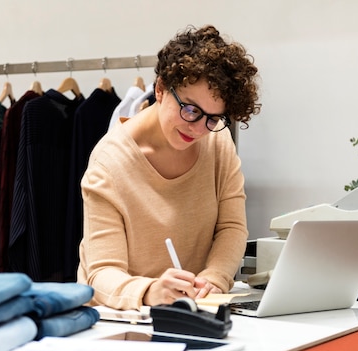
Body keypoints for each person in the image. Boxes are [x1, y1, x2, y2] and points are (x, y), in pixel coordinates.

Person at [77, 24, 261, 310]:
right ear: (161, 89)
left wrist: (215, 277)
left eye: (213, 118)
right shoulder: (109, 164)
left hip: (195, 313)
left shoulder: (218, 141)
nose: (199, 128)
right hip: (119, 322)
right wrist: (150, 290)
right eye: (190, 110)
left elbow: (232, 227)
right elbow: (101, 274)